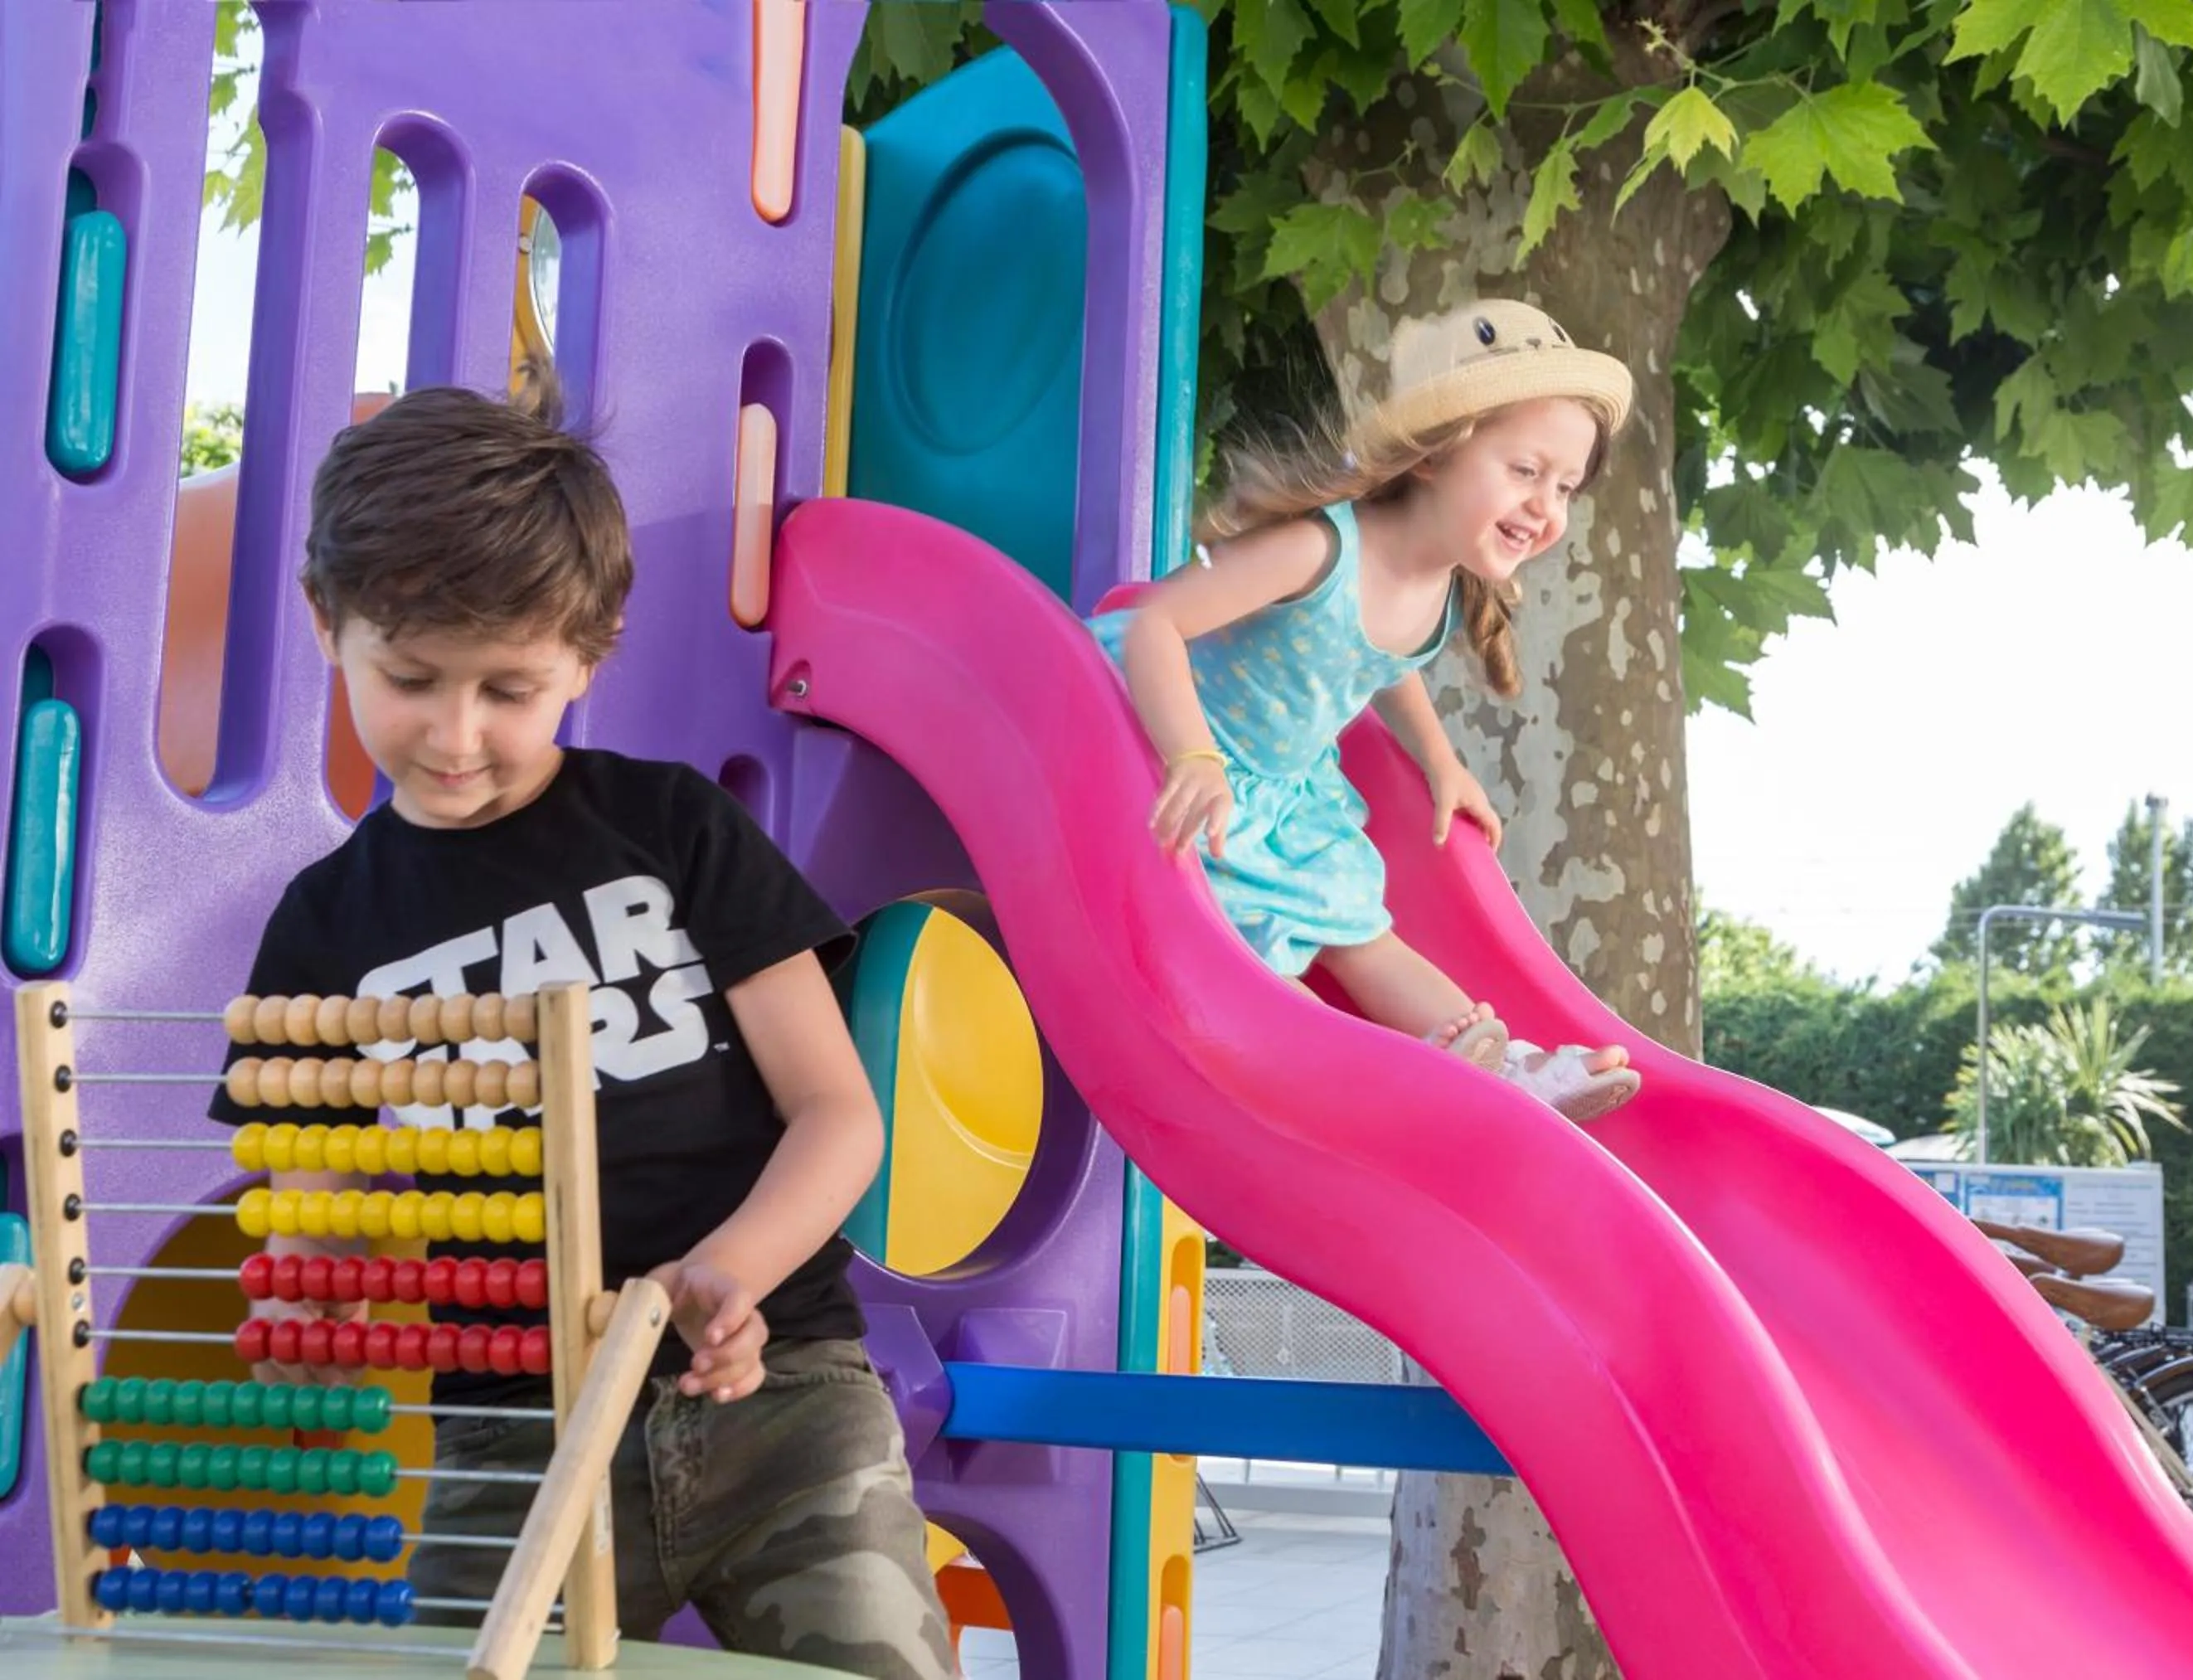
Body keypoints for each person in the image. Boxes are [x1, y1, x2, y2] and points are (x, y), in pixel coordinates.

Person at [205, 368, 958, 1678]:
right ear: (329, 622)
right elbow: (315, 1220)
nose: (455, 734)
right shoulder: (324, 929)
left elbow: (837, 1112)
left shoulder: (668, 828)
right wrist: (304, 1363)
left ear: (587, 654)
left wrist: (732, 1271)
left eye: (510, 688)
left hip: (778, 1410)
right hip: (517, 1443)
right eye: (412, 678)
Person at [1093, 299, 1642, 1123]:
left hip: (1281, 793)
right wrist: (1192, 756)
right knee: (1255, 965)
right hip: (1153, 744)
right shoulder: (1318, 549)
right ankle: (1370, 1083)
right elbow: (1154, 626)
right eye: (1525, 471)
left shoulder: (1444, 593)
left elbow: (1382, 660)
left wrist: (1440, 760)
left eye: (1564, 487)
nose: (1546, 506)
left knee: (1360, 925)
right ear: (1434, 454)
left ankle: (1511, 1069)